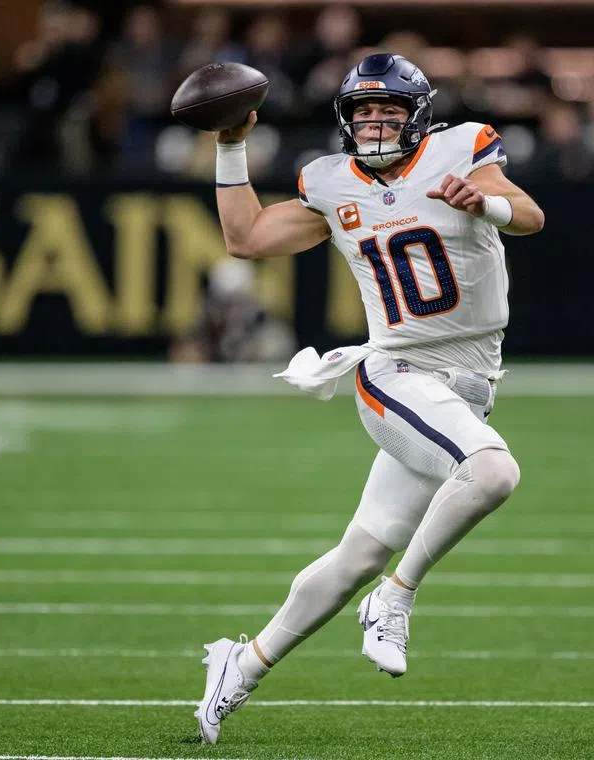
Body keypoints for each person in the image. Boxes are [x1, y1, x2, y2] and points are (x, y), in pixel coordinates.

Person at [194, 52, 545, 744]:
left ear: (418, 117)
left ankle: (243, 663)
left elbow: (529, 215)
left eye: (388, 111)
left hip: (466, 384)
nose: (376, 122)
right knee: (493, 471)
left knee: (358, 552)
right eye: (363, 112)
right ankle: (398, 597)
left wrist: (488, 203)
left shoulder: (461, 149)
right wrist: (231, 147)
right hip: (397, 373)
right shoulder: (329, 183)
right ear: (345, 120)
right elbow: (246, 238)